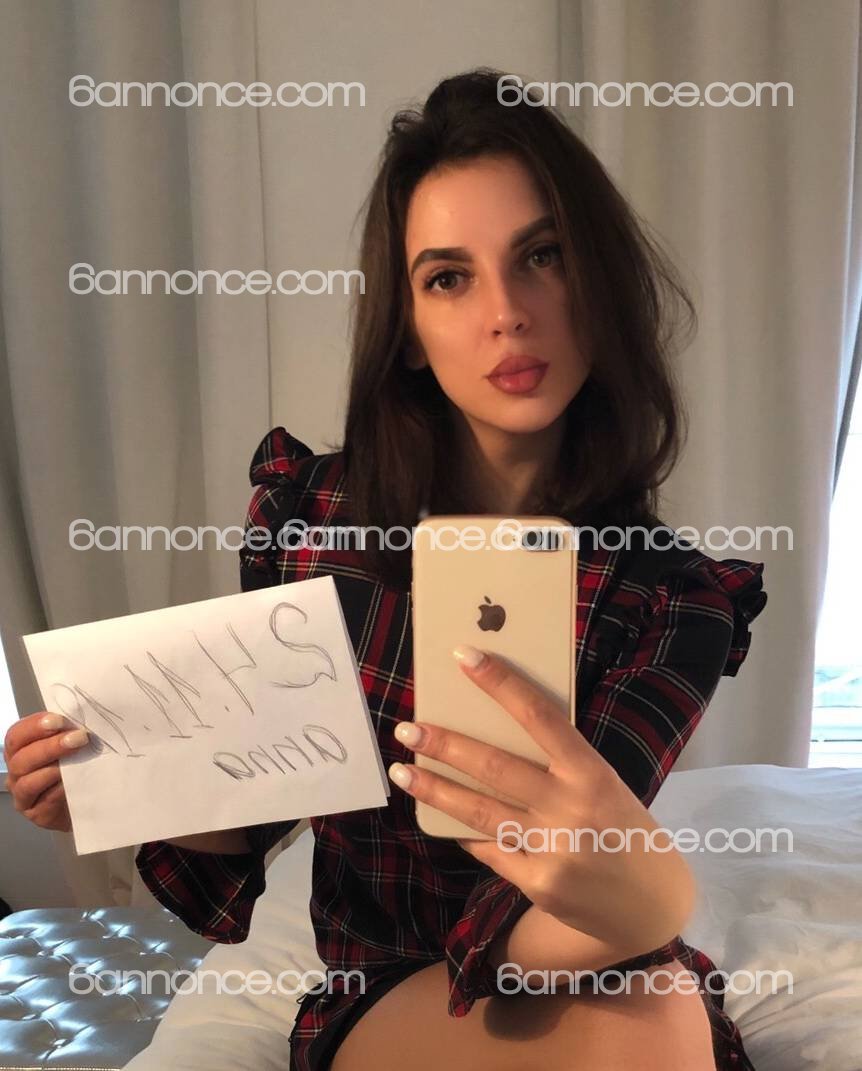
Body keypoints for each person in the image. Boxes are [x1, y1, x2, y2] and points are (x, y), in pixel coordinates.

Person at [5, 68, 767, 1071]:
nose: (507, 312)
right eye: (449, 277)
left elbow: (570, 899)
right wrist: (124, 782)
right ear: (407, 327)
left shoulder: (670, 597)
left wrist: (641, 906)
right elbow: (250, 814)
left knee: (653, 1002)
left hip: (574, 946)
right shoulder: (311, 522)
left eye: (541, 256)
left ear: (597, 279)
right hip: (388, 975)